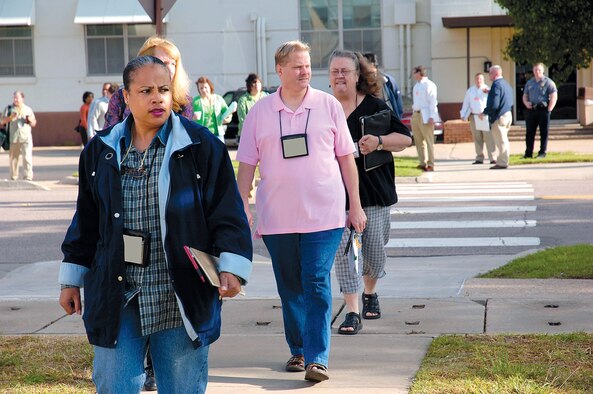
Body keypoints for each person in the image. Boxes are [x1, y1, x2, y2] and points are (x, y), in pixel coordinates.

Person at [58, 55, 252, 394]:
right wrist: (71, 279)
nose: (156, 97)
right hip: (119, 293)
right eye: (145, 90)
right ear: (127, 97)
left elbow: (227, 213)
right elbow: (86, 220)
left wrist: (232, 268)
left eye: (163, 89)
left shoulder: (201, 146)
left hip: (179, 294)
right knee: (116, 386)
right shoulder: (99, 151)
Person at [236, 40, 366, 383]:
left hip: (325, 214)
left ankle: (317, 357)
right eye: (297, 66)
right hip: (277, 217)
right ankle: (298, 348)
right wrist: (241, 208)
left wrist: (355, 204)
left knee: (316, 281)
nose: (305, 71)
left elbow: (346, 160)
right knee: (290, 286)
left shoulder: (328, 106)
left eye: (308, 65)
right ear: (280, 71)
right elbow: (247, 167)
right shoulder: (260, 112)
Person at [328, 50, 412, 335]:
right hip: (336, 197)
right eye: (334, 72)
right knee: (344, 253)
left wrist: (378, 141)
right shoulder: (323, 108)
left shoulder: (376, 106)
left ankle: (369, 292)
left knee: (374, 255)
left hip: (374, 194)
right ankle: (352, 312)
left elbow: (405, 139)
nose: (340, 76)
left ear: (358, 75)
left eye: (345, 71)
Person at [105, 36, 193, 129]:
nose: (170, 69)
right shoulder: (121, 97)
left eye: (173, 64)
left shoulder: (183, 101)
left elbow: (184, 138)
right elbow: (108, 136)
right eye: (163, 63)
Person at [481, 65, 514, 169]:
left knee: (501, 140)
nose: (489, 75)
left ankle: (503, 162)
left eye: (490, 73)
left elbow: (495, 104)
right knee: (503, 139)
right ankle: (503, 160)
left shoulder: (496, 85)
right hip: (507, 114)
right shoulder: (506, 84)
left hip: (499, 116)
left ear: (496, 74)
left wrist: (485, 112)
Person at [522, 63, 558, 158]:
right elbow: (525, 96)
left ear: (543, 71)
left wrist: (549, 109)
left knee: (544, 132)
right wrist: (526, 103)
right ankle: (528, 153)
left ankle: (542, 152)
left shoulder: (548, 82)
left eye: (539, 70)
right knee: (529, 132)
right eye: (535, 70)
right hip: (532, 110)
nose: (537, 72)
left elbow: (554, 96)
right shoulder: (529, 83)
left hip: (543, 110)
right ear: (533, 71)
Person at [460, 72, 496, 164]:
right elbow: (466, 103)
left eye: (480, 79)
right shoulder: (470, 91)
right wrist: (463, 115)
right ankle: (479, 157)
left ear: (483, 80)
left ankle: (492, 157)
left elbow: (492, 103)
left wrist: (486, 113)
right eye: (477, 79)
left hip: (484, 116)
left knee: (489, 138)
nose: (478, 80)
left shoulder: (488, 90)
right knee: (477, 138)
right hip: (474, 116)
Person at [0, 91, 37, 180]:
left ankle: (28, 176)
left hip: (26, 137)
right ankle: (14, 177)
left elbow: (34, 123)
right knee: (14, 159)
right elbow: (1, 122)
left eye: (17, 98)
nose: (15, 99)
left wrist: (30, 120)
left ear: (22, 98)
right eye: (14, 98)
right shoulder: (9, 109)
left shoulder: (28, 109)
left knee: (27, 157)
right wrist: (10, 118)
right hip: (14, 138)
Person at [411, 65, 439, 172]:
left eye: (414, 73)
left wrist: (432, 116)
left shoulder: (429, 85)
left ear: (419, 73)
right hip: (416, 114)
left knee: (428, 140)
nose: (413, 75)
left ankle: (431, 163)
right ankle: (422, 162)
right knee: (418, 140)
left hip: (425, 115)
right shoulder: (416, 86)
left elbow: (433, 101)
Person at [193, 76, 234, 143]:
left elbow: (227, 113)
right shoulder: (195, 101)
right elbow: (187, 116)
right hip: (202, 134)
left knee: (220, 153)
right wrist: (192, 117)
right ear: (198, 89)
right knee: (205, 153)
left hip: (218, 134)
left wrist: (228, 118)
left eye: (205, 87)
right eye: (201, 88)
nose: (203, 90)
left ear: (210, 87)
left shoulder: (219, 99)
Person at [363, 52, 404, 119]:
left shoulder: (388, 81)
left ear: (374, 65)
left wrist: (397, 122)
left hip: (388, 121)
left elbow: (398, 106)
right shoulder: (361, 83)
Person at [236, 73, 268, 142]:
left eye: (258, 82)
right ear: (249, 85)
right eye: (254, 82)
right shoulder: (243, 100)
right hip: (248, 135)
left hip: (265, 134)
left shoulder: (267, 97)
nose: (257, 85)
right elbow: (242, 120)